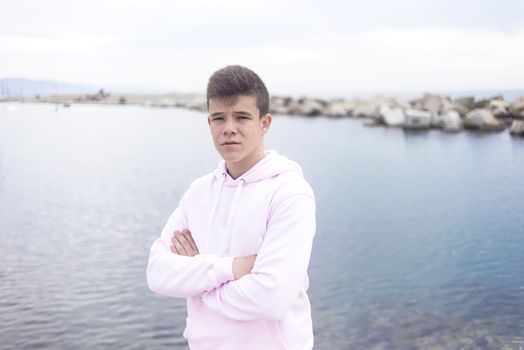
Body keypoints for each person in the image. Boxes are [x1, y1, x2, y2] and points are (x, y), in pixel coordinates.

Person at [146, 65, 316, 350]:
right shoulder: (198, 192)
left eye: (242, 117)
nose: (229, 129)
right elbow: (156, 274)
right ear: (209, 123)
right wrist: (232, 268)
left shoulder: (289, 193)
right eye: (218, 118)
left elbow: (270, 299)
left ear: (265, 123)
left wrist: (200, 285)